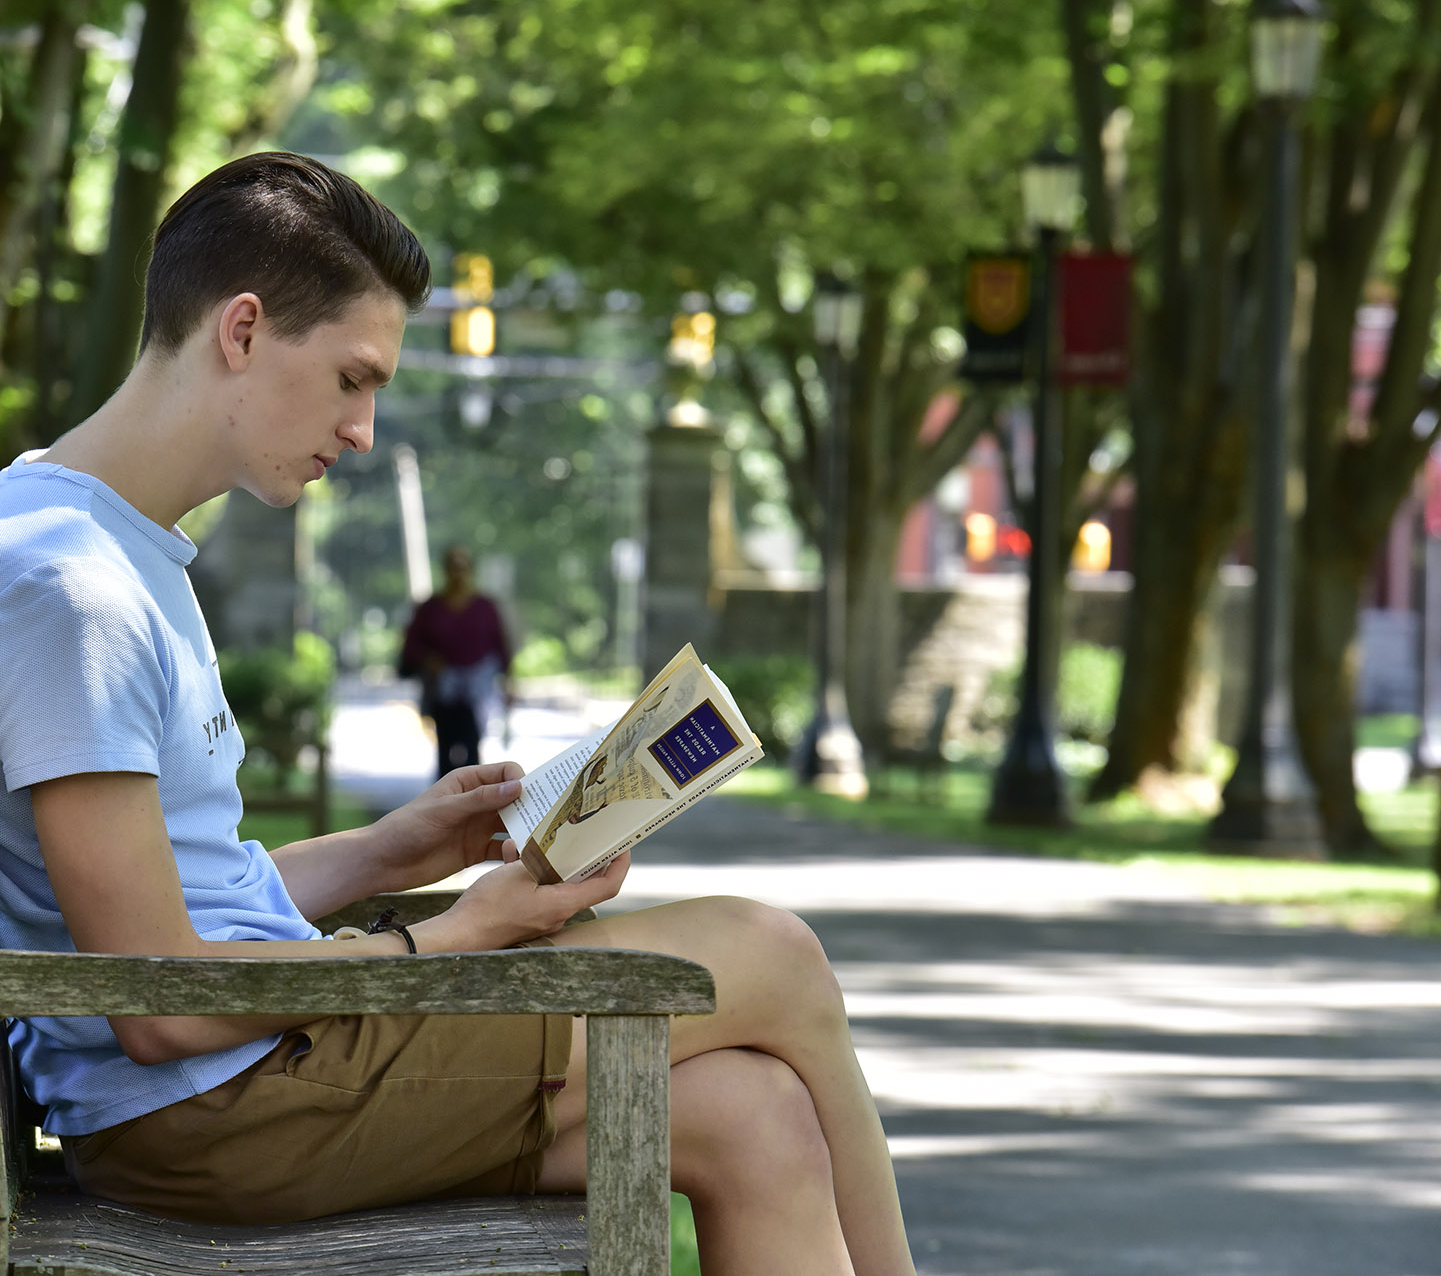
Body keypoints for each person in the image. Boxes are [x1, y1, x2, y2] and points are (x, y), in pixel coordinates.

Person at [0, 150, 916, 1276]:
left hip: (253, 1081)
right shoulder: (71, 587)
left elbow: (174, 907)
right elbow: (161, 1006)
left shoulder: (100, 546)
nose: (364, 429)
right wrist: (448, 936)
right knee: (773, 955)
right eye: (352, 378)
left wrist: (389, 849)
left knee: (753, 1115)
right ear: (241, 330)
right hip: (217, 1109)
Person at [399, 544, 513, 777]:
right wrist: (429, 661)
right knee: (445, 751)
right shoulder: (430, 608)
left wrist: (509, 683)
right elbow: (412, 647)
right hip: (444, 691)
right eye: (453, 566)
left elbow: (501, 647)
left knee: (473, 748)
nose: (458, 572)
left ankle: (471, 804)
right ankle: (445, 802)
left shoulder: (485, 607)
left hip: (478, 692)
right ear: (446, 570)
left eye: (463, 567)